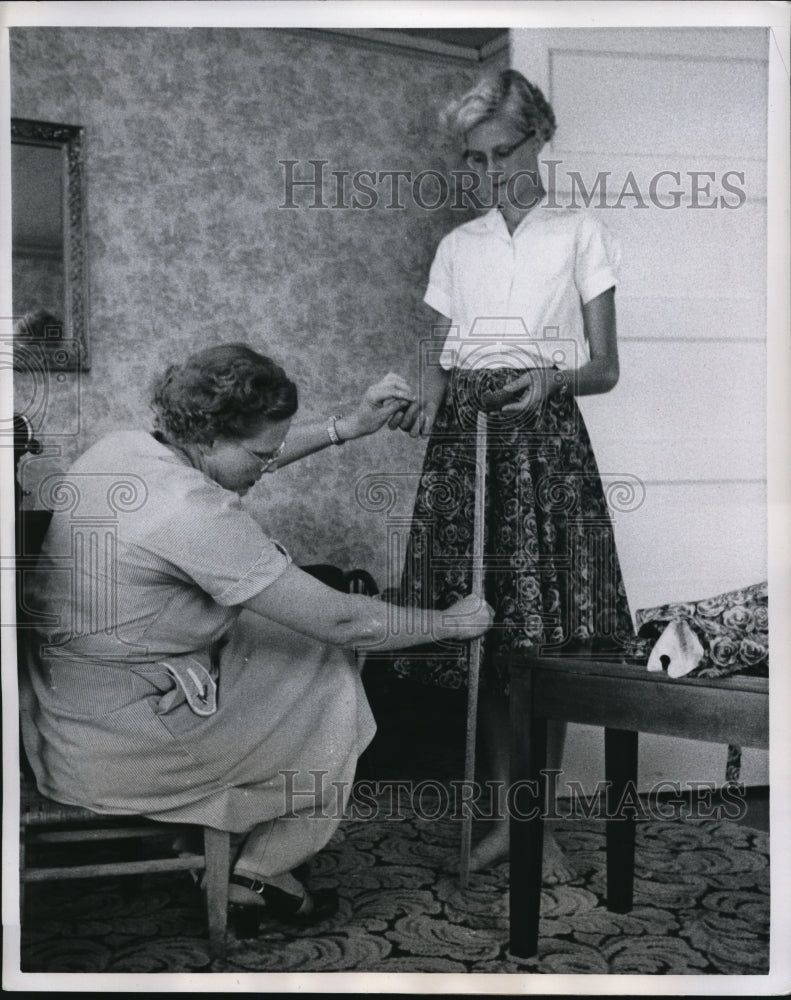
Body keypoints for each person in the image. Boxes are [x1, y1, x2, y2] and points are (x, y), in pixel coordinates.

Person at [20, 343, 493, 926]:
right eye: (263, 453)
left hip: (62, 717)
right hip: (120, 749)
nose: (268, 466)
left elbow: (242, 461)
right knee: (334, 670)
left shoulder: (122, 451)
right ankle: (260, 870)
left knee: (294, 640)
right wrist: (450, 623)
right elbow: (339, 619)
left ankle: (217, 846)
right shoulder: (189, 512)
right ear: (214, 435)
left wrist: (348, 427)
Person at [389, 70, 635, 880]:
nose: (490, 174)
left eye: (503, 154)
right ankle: (499, 822)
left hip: (542, 437)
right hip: (467, 441)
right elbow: (442, 359)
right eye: (474, 159)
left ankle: (538, 826)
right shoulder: (457, 245)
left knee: (545, 642)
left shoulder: (580, 232)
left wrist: (550, 379)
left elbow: (603, 368)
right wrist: (424, 401)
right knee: (484, 638)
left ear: (540, 138)